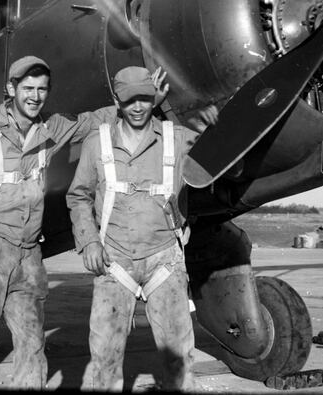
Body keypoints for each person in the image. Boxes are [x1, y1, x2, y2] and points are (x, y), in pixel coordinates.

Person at [0, 56, 169, 389]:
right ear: (11, 89)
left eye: (42, 89)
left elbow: (95, 120)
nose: (35, 96)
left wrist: (145, 102)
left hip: (29, 257)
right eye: (28, 88)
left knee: (33, 350)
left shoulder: (52, 127)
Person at [66, 66, 218, 391]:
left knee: (180, 364)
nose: (138, 107)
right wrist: (88, 242)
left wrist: (222, 120)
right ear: (116, 100)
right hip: (113, 262)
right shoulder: (97, 144)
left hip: (165, 262)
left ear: (154, 98)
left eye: (145, 99)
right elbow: (78, 196)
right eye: (129, 99)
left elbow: (218, 163)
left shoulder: (177, 139)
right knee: (104, 364)